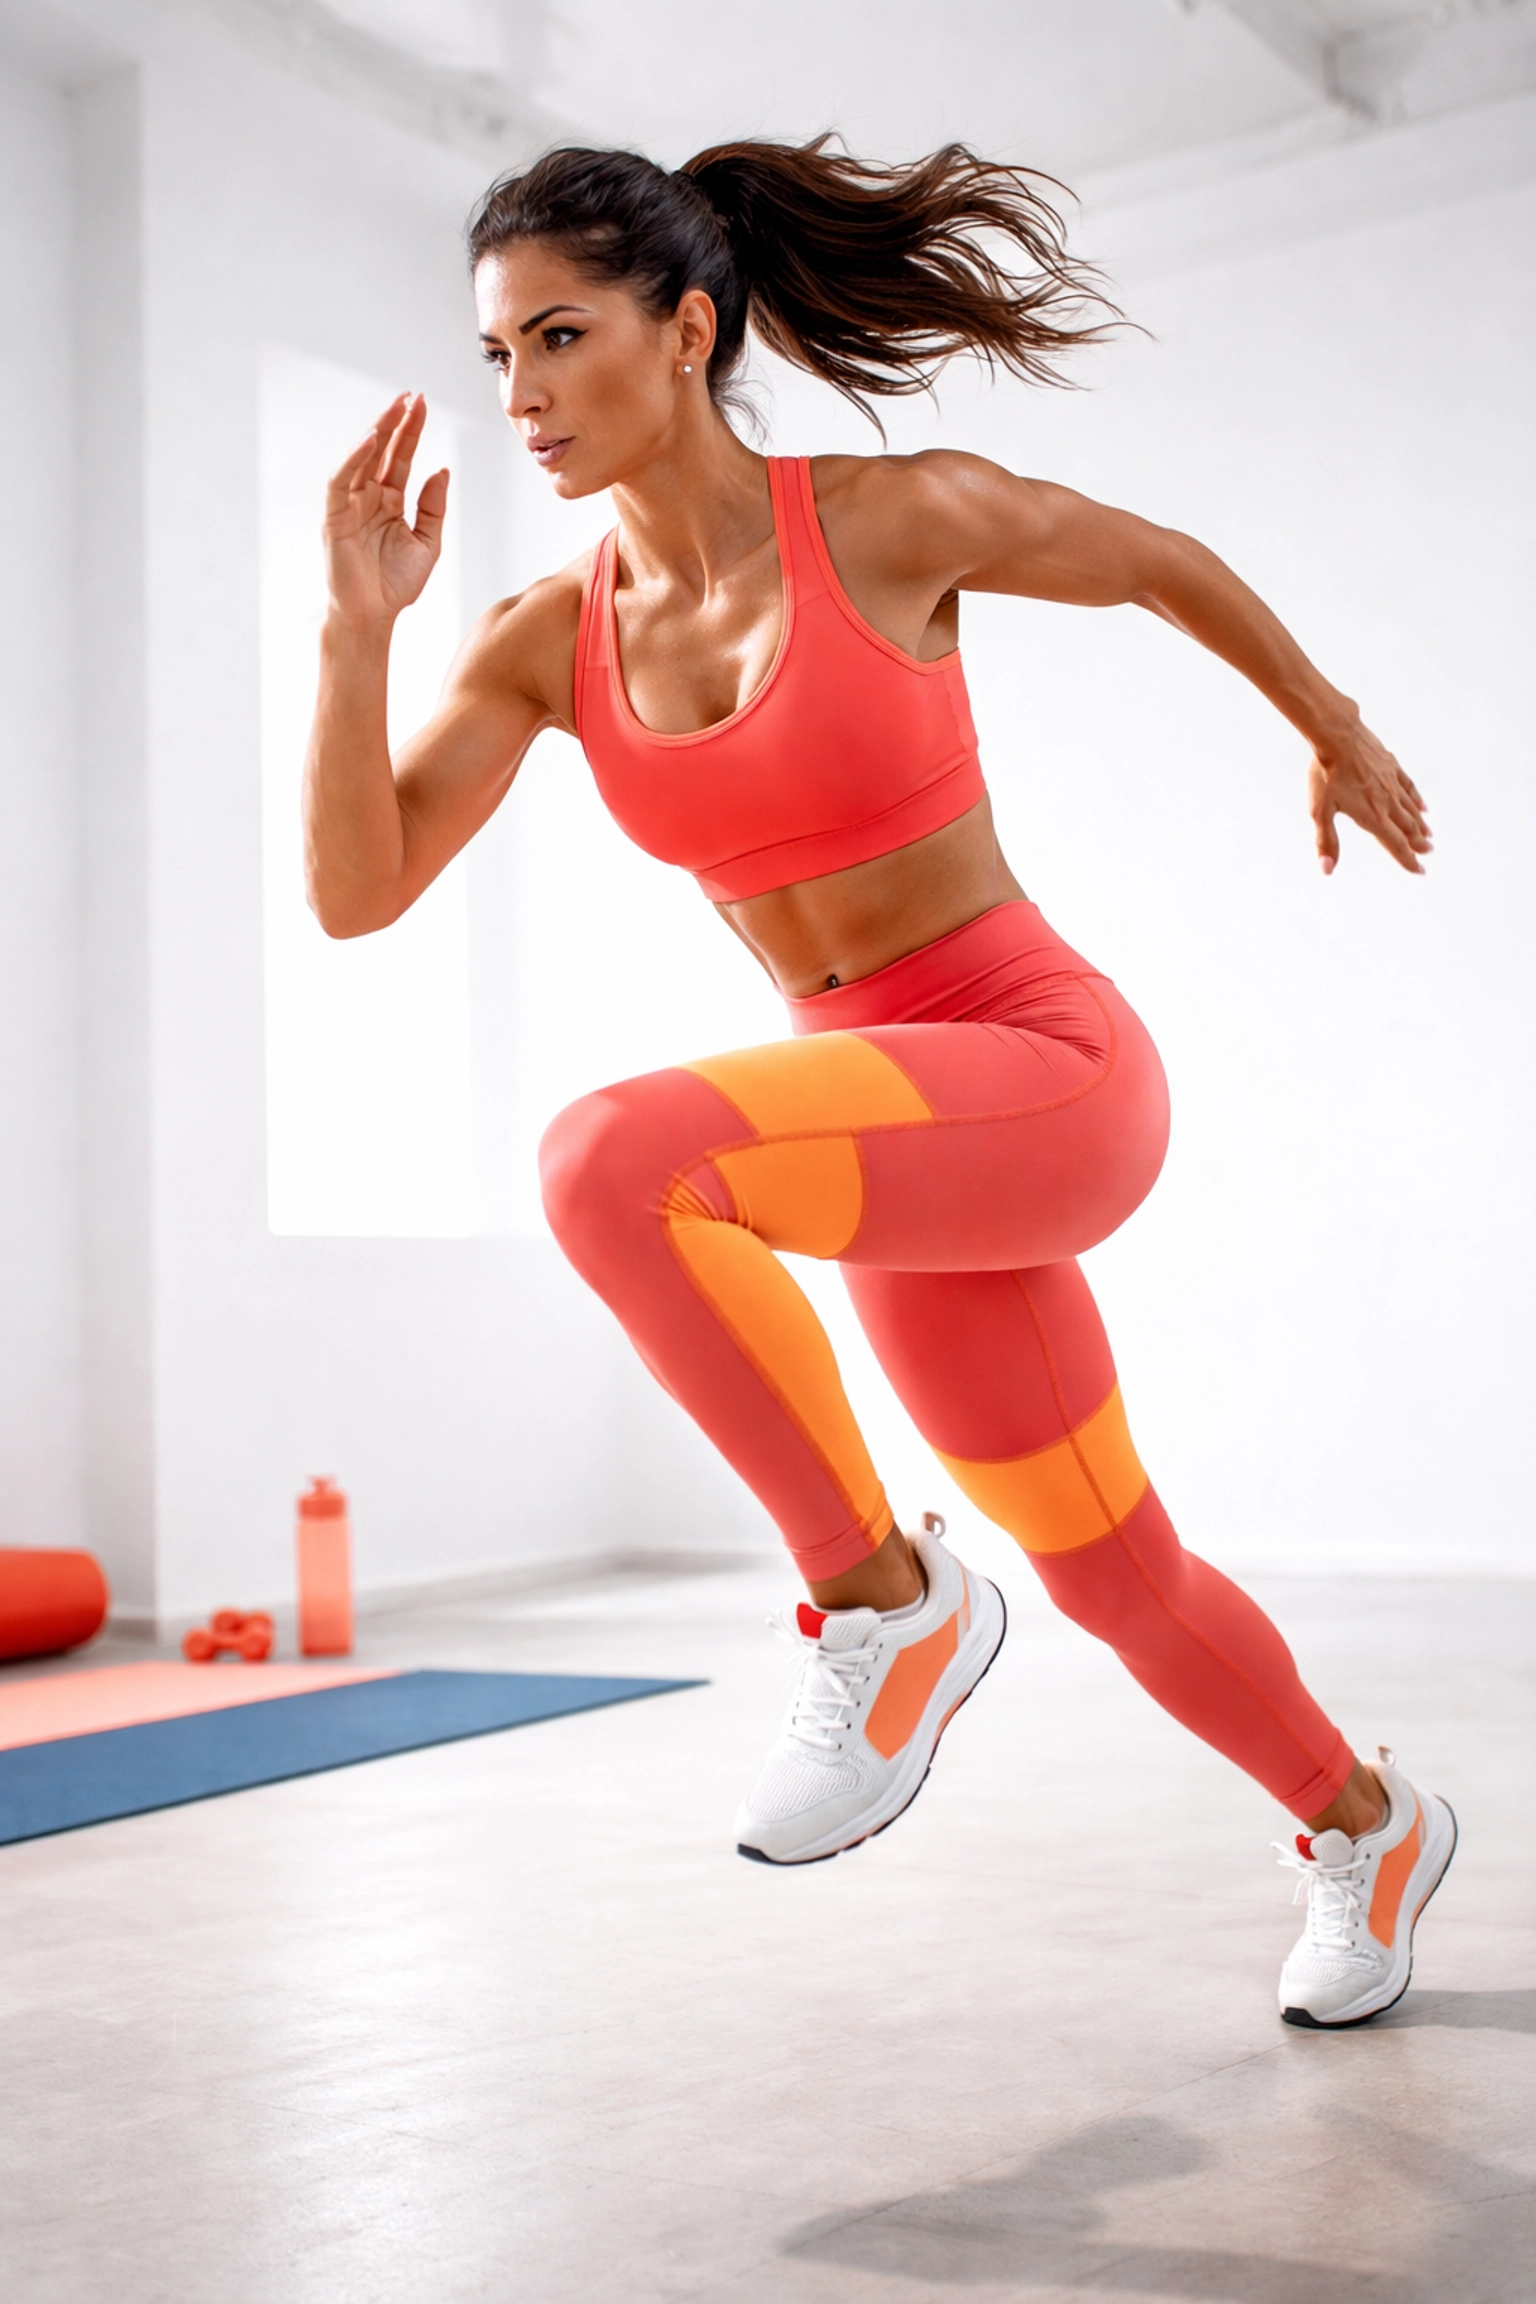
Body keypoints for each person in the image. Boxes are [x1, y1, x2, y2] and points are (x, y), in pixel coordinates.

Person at [304, 139, 1455, 2028]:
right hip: (879, 1138)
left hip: (1036, 1065)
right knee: (1113, 1572)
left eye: (560, 339)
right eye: (496, 355)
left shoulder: (891, 521)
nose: (519, 400)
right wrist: (358, 634)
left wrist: (1333, 729)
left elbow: (1156, 563)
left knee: (613, 1161)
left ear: (688, 332)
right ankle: (1369, 1826)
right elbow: (359, 894)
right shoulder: (545, 641)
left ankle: (883, 1598)